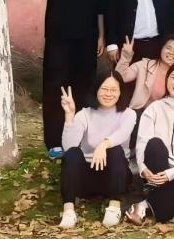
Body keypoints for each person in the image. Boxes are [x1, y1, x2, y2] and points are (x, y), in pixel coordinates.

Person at [29, 0, 108, 155]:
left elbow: (102, 6)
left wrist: (101, 35)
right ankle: (54, 142)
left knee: (85, 89)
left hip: (88, 38)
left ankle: (80, 140)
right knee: (55, 88)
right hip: (58, 38)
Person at [126, 63, 174, 225]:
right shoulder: (154, 108)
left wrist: (172, 172)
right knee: (155, 144)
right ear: (167, 79)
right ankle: (161, 205)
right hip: (155, 168)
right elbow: (143, 141)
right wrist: (142, 168)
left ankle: (146, 205)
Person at [58, 72, 135, 229]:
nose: (108, 94)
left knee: (115, 151)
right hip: (86, 176)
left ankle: (114, 208)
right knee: (73, 153)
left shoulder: (128, 114)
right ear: (96, 90)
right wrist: (69, 116)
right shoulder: (84, 114)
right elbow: (69, 147)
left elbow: (122, 134)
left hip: (114, 177)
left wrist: (103, 145)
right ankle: (68, 211)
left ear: (120, 92)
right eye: (104, 89)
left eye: (113, 90)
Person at [115, 33, 174, 112]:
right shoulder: (144, 65)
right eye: (168, 48)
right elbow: (120, 77)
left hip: (165, 115)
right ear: (161, 48)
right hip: (139, 112)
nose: (171, 52)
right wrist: (125, 57)